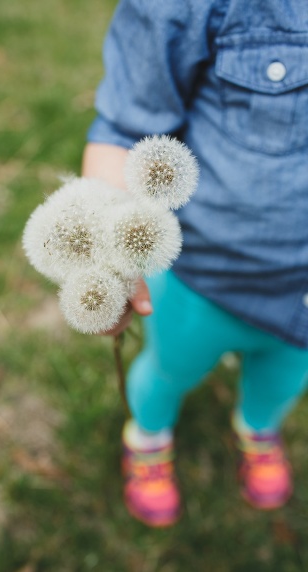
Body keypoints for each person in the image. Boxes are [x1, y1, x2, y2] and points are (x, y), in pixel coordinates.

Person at [81, 0, 308, 526]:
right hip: (207, 277)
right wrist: (112, 261)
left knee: (283, 381)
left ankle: (257, 428)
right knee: (171, 368)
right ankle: (149, 436)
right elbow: (123, 131)